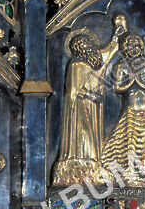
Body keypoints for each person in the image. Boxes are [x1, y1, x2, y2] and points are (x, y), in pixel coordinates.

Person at [51, 15, 127, 186]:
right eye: (84, 46)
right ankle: (79, 165)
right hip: (78, 110)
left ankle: (94, 164)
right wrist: (92, 96)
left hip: (92, 107)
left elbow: (107, 53)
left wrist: (117, 34)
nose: (89, 48)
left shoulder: (93, 63)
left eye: (89, 44)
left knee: (93, 136)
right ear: (79, 50)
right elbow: (75, 90)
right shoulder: (76, 65)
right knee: (84, 136)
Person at [101, 32, 145, 183]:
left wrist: (138, 80)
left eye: (137, 46)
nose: (134, 49)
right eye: (130, 46)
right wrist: (132, 80)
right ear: (125, 49)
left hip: (144, 108)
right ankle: (128, 171)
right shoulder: (121, 65)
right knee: (129, 139)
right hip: (129, 107)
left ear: (141, 48)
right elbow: (117, 88)